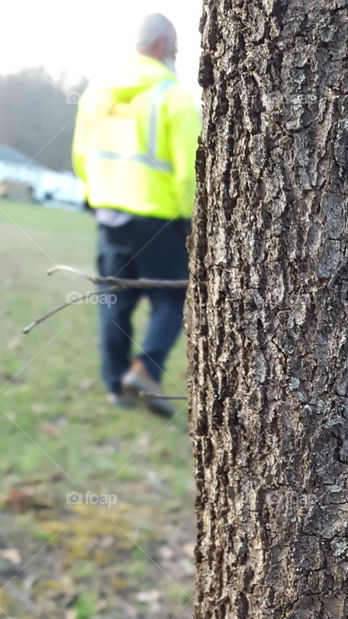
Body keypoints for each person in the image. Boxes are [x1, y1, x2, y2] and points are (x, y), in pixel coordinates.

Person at [72, 14, 199, 416]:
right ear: (162, 46)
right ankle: (146, 368)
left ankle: (115, 385)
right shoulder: (173, 97)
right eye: (176, 47)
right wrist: (189, 218)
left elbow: (80, 155)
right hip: (159, 216)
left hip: (109, 213)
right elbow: (189, 170)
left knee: (114, 300)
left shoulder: (97, 93)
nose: (176, 55)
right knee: (174, 296)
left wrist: (97, 194)